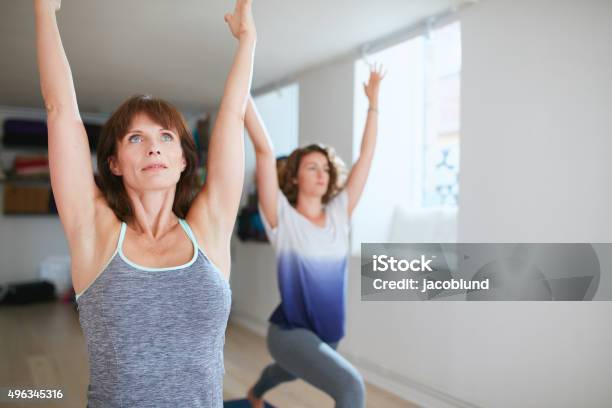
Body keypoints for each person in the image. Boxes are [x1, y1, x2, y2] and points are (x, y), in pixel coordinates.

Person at [33, 0, 256, 406]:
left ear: (184, 160)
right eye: (136, 138)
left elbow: (233, 115)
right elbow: (60, 110)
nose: (153, 147)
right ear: (114, 163)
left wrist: (248, 40)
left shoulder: (209, 226)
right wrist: (44, 11)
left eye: (166, 137)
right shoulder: (96, 232)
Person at [245, 64, 386, 408]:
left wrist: (373, 103)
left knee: (286, 373)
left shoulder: (339, 213)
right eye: (312, 167)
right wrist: (241, 94)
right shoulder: (282, 218)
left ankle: (255, 393)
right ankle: (259, 390)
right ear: (294, 177)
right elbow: (264, 152)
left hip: (330, 335)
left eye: (325, 168)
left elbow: (365, 158)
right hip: (289, 333)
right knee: (351, 388)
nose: (321, 173)